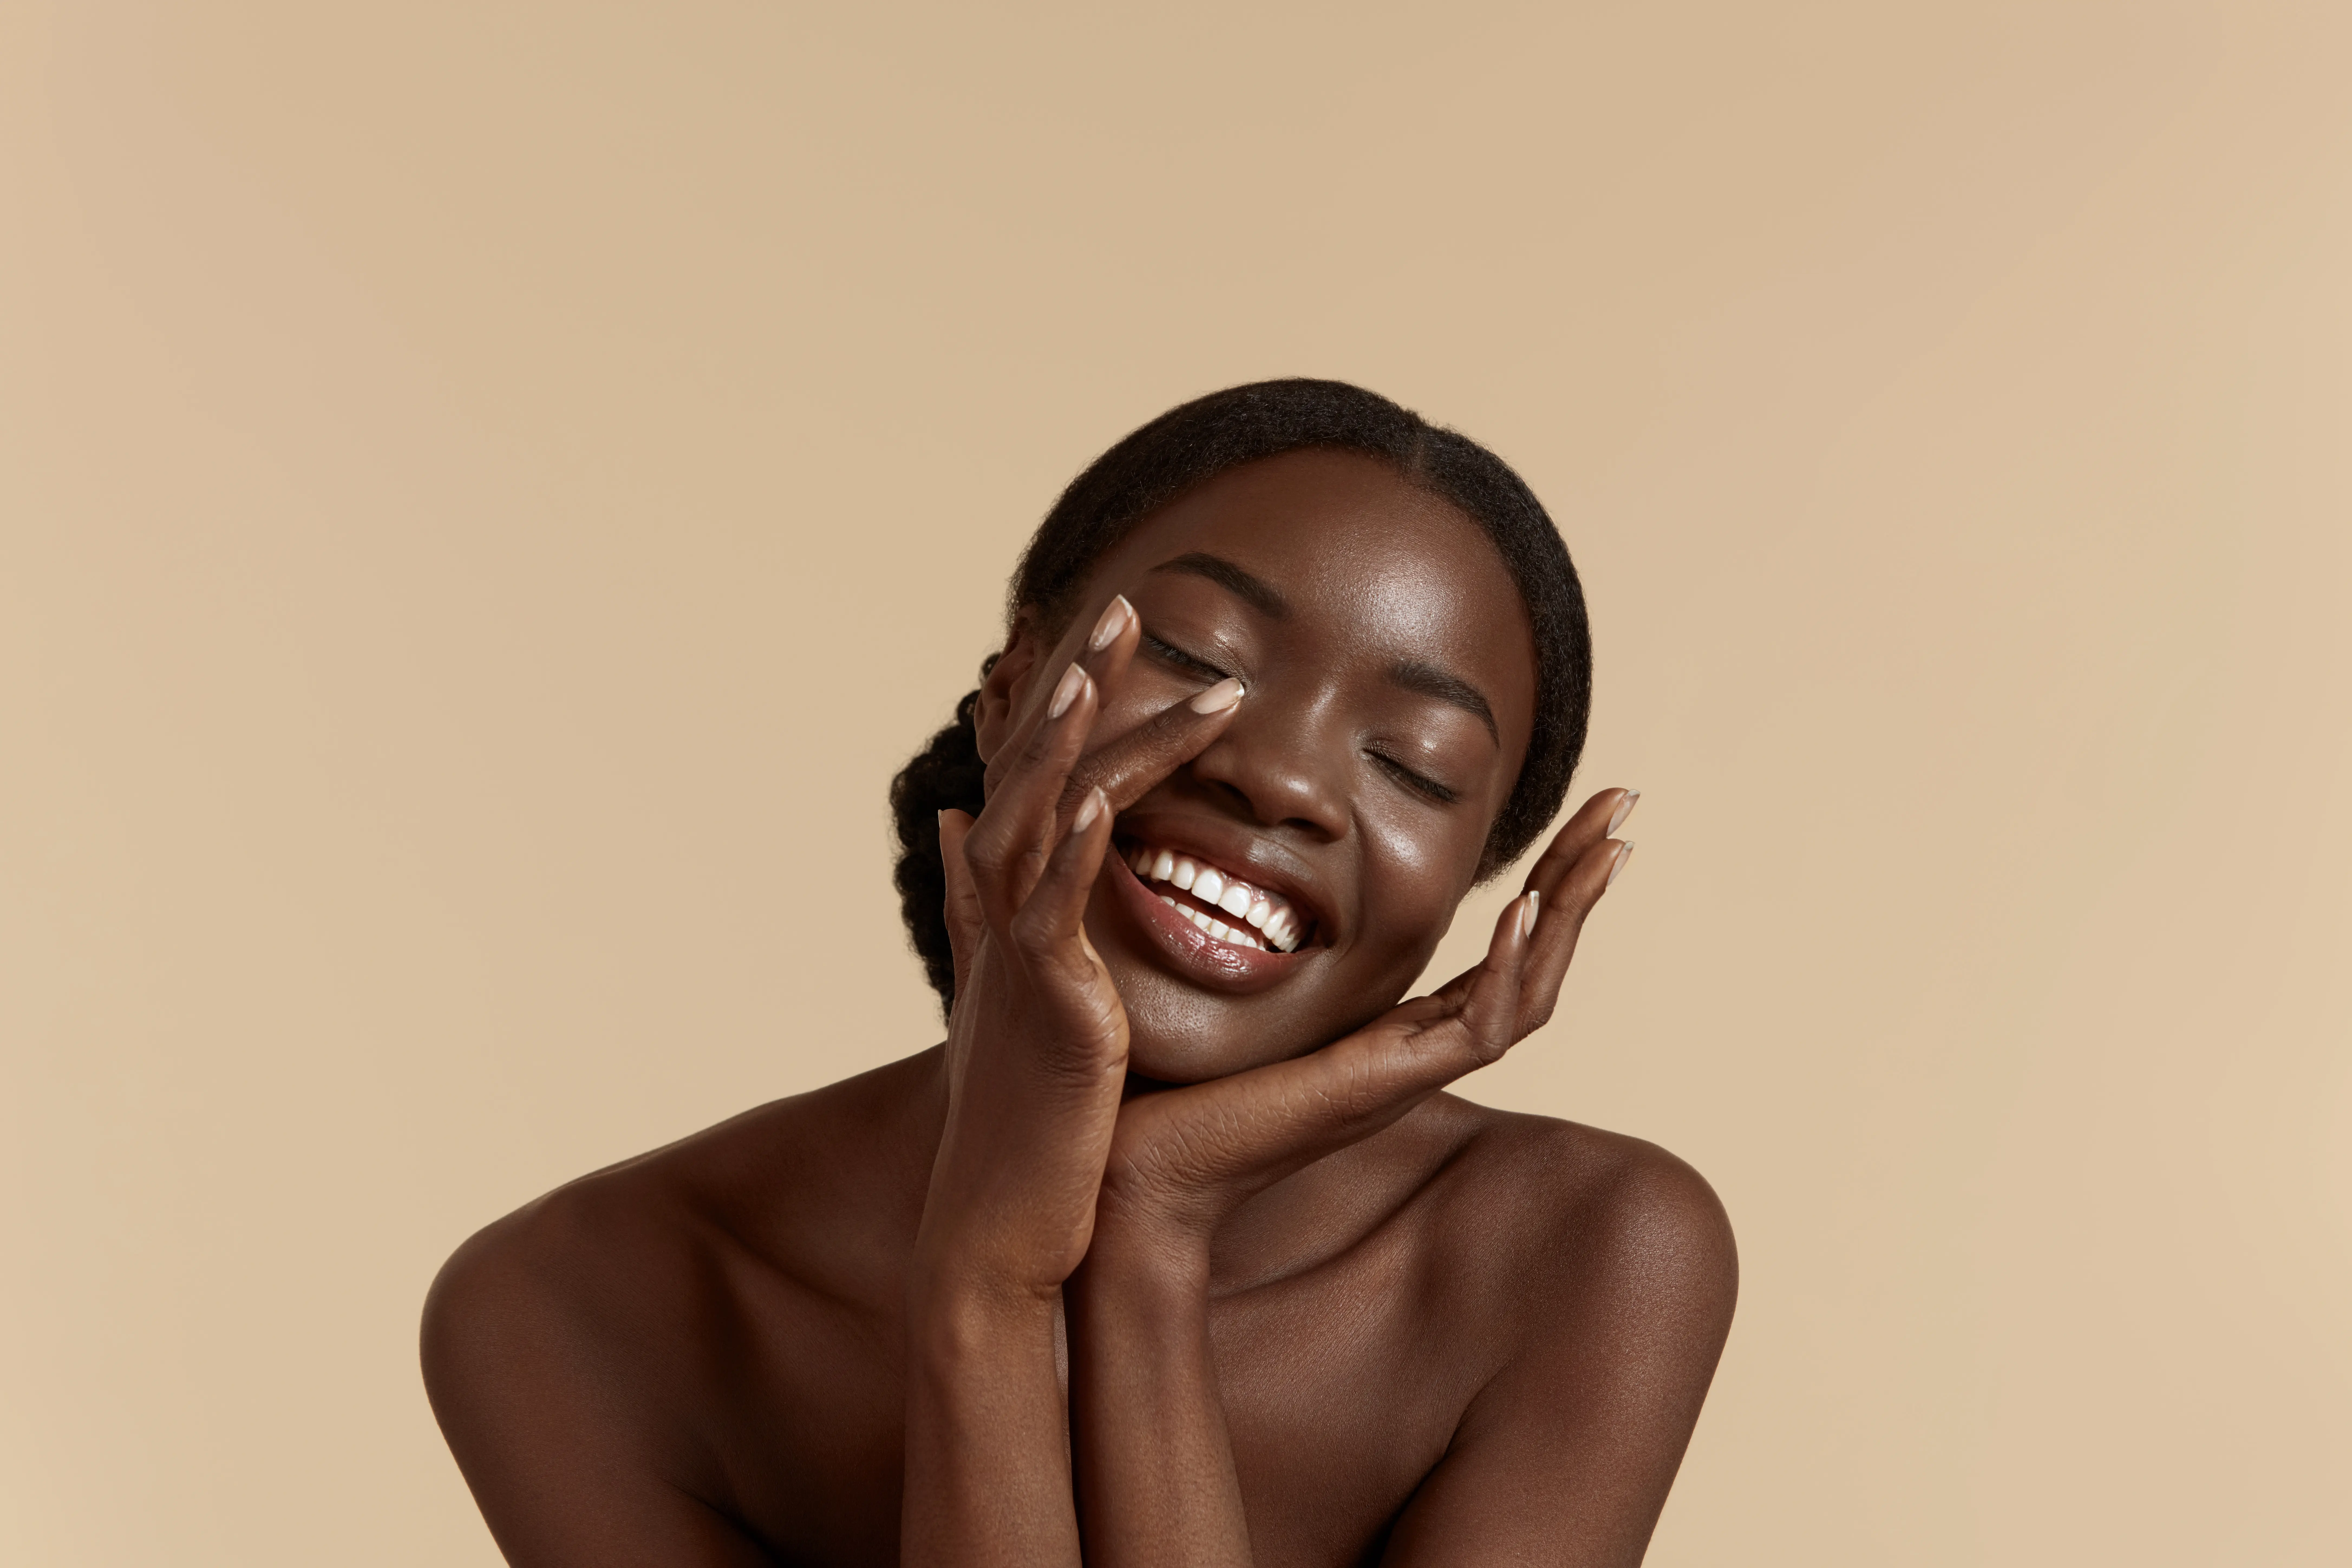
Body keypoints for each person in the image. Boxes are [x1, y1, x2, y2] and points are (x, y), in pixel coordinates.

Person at [421, 379, 1737, 1567]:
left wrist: (1149, 1223)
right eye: (1200, 661)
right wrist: (987, 1283)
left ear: (1472, 883)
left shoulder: (1587, 1254)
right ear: (1010, 692)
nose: (1277, 775)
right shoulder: (579, 1307)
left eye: (1415, 767)